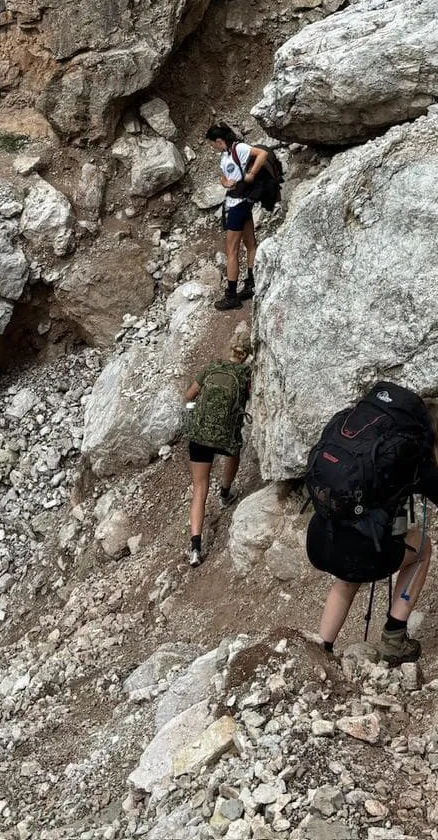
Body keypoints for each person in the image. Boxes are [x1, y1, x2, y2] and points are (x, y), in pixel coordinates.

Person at [305, 385, 438, 665]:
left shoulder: (370, 452)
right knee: (422, 547)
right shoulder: (415, 465)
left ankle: (321, 651)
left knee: (348, 573)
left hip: (319, 542)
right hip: (366, 554)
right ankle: (394, 637)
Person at [183, 322, 253, 567]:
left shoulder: (212, 367)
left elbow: (189, 396)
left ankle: (194, 547)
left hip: (199, 435)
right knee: (234, 451)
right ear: (247, 354)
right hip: (225, 436)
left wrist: (192, 414)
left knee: (199, 488)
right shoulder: (245, 375)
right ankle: (225, 492)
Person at [206, 122, 268, 311]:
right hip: (240, 201)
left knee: (231, 251)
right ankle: (251, 283)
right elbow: (223, 176)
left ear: (219, 141)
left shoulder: (239, 148)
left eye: (212, 144)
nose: (212, 147)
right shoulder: (225, 156)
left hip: (238, 204)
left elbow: (262, 154)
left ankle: (231, 296)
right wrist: (225, 182)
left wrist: (251, 174)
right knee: (250, 244)